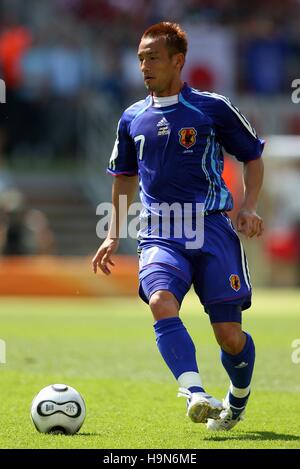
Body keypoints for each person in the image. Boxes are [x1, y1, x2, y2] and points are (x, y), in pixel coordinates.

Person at [92, 22, 264, 431]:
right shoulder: (131, 117)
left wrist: (250, 206)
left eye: (152, 57)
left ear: (177, 60)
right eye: (140, 59)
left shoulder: (212, 107)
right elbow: (124, 177)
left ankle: (237, 398)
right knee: (160, 301)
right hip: (160, 232)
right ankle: (195, 393)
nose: (144, 66)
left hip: (212, 229)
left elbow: (252, 156)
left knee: (229, 337)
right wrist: (114, 231)